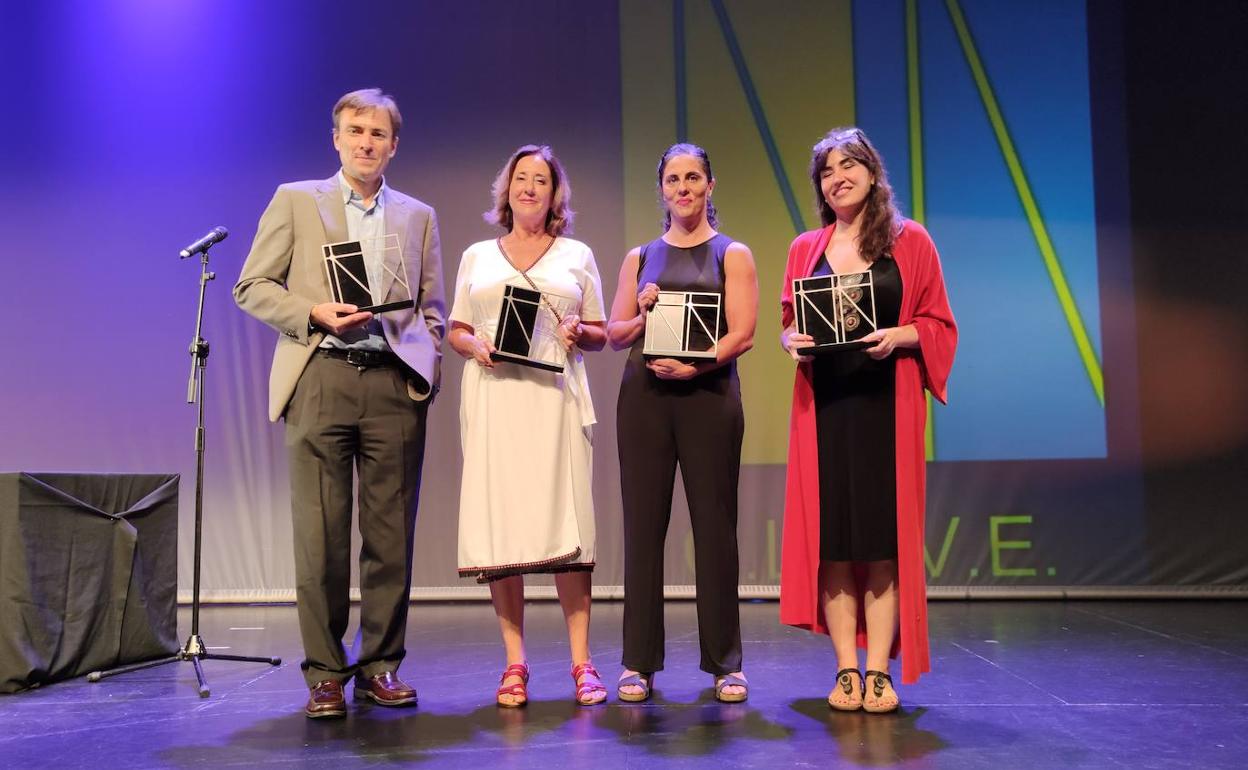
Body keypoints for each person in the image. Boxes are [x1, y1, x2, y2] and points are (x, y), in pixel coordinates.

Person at [233, 88, 444, 719]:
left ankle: (381, 665)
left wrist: (422, 367)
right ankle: (325, 672)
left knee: (389, 538)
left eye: (377, 134)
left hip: (389, 383)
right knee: (319, 538)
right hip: (321, 376)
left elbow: (432, 309)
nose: (365, 143)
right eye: (354, 131)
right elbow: (252, 285)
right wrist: (313, 314)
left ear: (393, 144)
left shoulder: (417, 215)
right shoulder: (297, 200)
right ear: (336, 137)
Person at [778, 127, 956, 713]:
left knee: (882, 543)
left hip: (886, 405)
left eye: (849, 165)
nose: (838, 178)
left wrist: (899, 336)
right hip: (825, 410)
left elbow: (938, 324)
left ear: (873, 174)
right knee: (832, 544)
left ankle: (878, 670)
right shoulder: (806, 248)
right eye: (827, 172)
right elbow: (787, 321)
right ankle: (846, 671)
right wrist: (791, 341)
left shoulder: (911, 241)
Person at [448, 144, 608, 707]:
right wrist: (476, 345)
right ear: (507, 188)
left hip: (555, 400)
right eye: (521, 177)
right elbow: (457, 329)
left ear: (554, 192)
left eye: (541, 179)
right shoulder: (477, 255)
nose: (530, 187)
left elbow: (601, 330)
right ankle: (515, 663)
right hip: (496, 398)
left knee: (567, 526)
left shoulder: (577, 253)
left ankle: (582, 663)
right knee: (504, 528)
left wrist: (577, 333)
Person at [607, 143, 758, 703]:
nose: (683, 188)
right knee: (643, 529)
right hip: (645, 397)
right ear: (663, 189)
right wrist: (642, 310)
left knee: (715, 528)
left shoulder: (732, 253)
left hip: (709, 395)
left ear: (710, 185)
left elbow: (743, 333)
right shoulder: (639, 257)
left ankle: (726, 662)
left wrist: (695, 365)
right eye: (673, 179)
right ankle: (637, 662)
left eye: (693, 177)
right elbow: (615, 333)